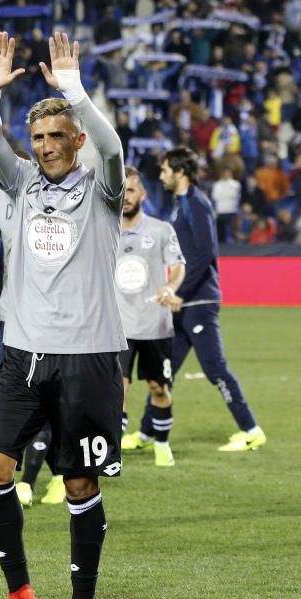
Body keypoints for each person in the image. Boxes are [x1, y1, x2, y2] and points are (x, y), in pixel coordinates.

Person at [0, 32, 125, 599]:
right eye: (40, 138)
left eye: (58, 136)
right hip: (22, 356)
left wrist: (73, 91)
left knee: (79, 483)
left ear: (76, 139)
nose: (48, 147)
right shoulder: (20, 184)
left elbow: (113, 145)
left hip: (89, 359)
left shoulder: (103, 190)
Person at [135, 147, 266, 453]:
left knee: (215, 368)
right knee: (164, 369)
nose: (163, 174)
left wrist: (180, 292)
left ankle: (251, 429)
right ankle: (144, 433)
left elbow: (205, 253)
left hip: (198, 302)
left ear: (180, 171)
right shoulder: (180, 204)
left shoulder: (196, 203)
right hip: (184, 303)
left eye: (166, 169)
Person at [0, 163, 66, 508]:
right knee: (8, 387)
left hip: (48, 320)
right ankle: (31, 471)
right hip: (9, 317)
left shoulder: (57, 201)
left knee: (44, 393)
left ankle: (42, 478)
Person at [116, 166, 185, 467]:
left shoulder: (160, 230)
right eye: (121, 191)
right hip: (117, 326)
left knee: (158, 387)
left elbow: (178, 265)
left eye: (131, 190)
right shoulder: (104, 231)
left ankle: (162, 444)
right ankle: (112, 451)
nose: (126, 197)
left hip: (154, 325)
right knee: (117, 387)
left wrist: (169, 287)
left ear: (142, 193)